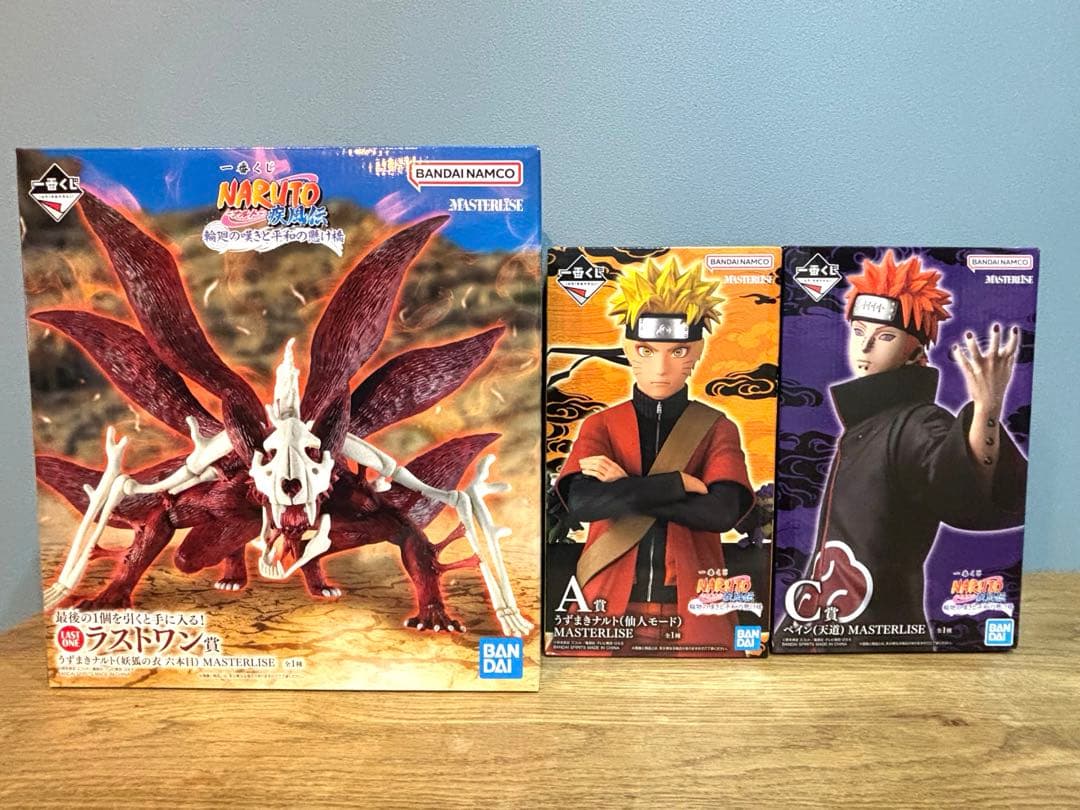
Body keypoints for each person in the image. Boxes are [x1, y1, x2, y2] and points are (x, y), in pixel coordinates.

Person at [782, 250, 1027, 645]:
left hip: (880, 633)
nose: (864, 347)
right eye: (858, 330)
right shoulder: (866, 424)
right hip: (823, 624)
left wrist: (986, 411)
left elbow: (956, 489)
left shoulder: (918, 421)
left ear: (917, 352)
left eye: (885, 336)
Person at [555, 258, 755, 655]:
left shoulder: (717, 426)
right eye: (646, 350)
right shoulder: (601, 425)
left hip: (696, 607)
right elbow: (583, 504)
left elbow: (720, 513)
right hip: (604, 603)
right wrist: (676, 485)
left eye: (678, 350)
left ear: (697, 352)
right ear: (628, 349)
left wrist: (625, 488)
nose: (661, 367)